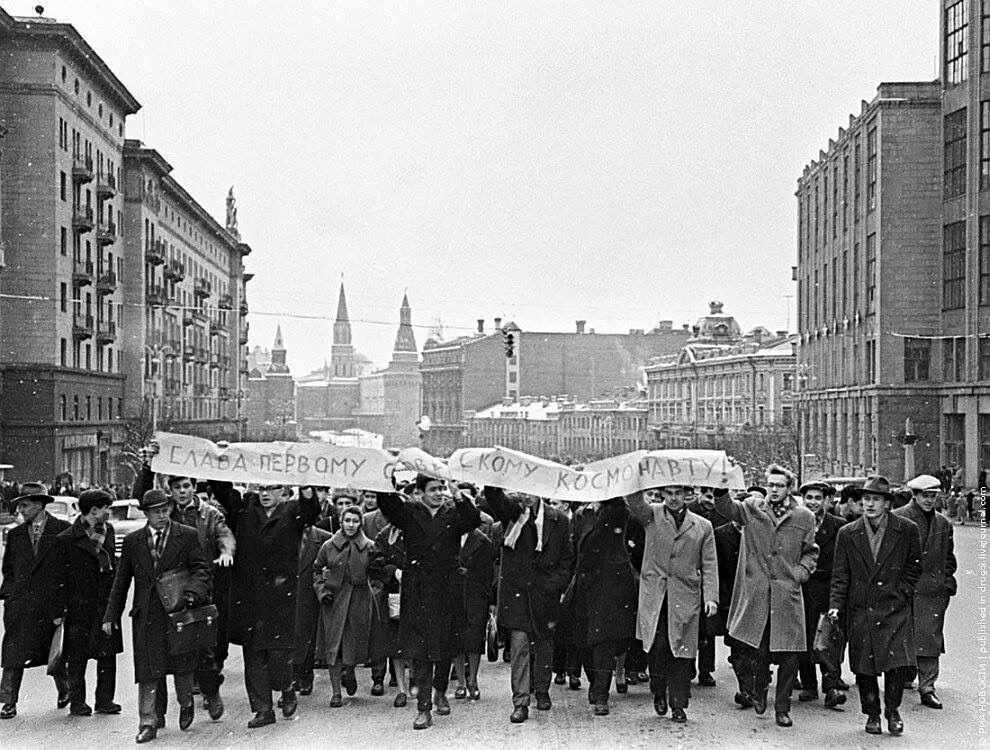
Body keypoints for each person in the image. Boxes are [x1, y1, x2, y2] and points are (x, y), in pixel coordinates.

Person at [713, 466, 819, 728]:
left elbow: (811, 551)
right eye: (770, 485)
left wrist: (801, 571)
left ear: (789, 488)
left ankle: (782, 708)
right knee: (759, 650)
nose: (773, 490)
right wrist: (720, 486)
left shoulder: (804, 517)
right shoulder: (752, 507)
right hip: (758, 594)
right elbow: (727, 508)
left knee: (790, 655)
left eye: (779, 485)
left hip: (787, 594)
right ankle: (759, 688)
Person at [102, 489, 211, 744]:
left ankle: (186, 704)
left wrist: (193, 593)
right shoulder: (133, 542)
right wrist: (111, 615)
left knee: (182, 664)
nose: (162, 516)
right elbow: (121, 582)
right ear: (146, 514)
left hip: (178, 612)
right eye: (156, 512)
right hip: (147, 615)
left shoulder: (187, 536)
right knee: (148, 670)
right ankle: (147, 722)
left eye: (165, 510)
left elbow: (201, 570)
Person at [133, 457, 235, 722]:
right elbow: (140, 498)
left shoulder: (209, 513)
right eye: (176, 487)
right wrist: (147, 466)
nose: (181, 491)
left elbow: (225, 534)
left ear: (194, 487)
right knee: (166, 651)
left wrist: (225, 552)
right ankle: (161, 712)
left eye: (186, 486)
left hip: (200, 587)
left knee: (204, 650)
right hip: (169, 591)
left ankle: (211, 693)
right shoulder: (165, 513)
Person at [379, 475, 481, 729]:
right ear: (420, 492)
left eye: (441, 488)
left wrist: (459, 496)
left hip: (447, 587)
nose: (439, 493)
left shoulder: (453, 513)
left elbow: (473, 520)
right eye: (433, 489)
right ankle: (423, 707)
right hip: (418, 589)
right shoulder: (409, 512)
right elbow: (388, 505)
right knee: (421, 651)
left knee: (445, 646)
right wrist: (384, 478)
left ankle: (441, 691)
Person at [829, 476, 923, 736]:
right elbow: (840, 574)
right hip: (862, 609)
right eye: (866, 499)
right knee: (864, 667)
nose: (869, 504)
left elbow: (914, 566)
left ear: (887, 503)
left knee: (895, 665)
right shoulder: (847, 533)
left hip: (894, 608)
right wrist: (836, 605)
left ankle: (892, 711)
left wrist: (901, 591)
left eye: (876, 499)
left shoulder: (906, 529)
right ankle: (871, 714)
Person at [227, 485, 319, 728]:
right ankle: (262, 709)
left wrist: (307, 487)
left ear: (283, 491)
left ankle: (287, 687)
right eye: (261, 489)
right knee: (254, 654)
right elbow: (225, 493)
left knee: (278, 654)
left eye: (272, 488)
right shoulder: (246, 511)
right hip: (251, 596)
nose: (265, 494)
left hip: (280, 595)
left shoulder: (291, 512)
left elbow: (311, 510)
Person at [627, 485, 718, 723]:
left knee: (682, 651)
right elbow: (635, 502)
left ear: (687, 495)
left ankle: (679, 704)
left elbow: (709, 565)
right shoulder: (652, 515)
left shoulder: (702, 526)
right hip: (656, 594)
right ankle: (658, 691)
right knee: (657, 647)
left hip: (685, 596)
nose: (674, 498)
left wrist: (711, 596)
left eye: (678, 493)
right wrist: (638, 478)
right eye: (669, 493)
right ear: (662, 495)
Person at [484, 487, 574, 725]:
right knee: (520, 645)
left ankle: (542, 690)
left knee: (544, 643)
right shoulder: (513, 515)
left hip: (545, 594)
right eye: (522, 490)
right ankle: (521, 701)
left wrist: (554, 584)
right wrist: (494, 479)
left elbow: (567, 558)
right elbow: (495, 499)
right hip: (517, 594)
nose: (526, 495)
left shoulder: (559, 520)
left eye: (532, 490)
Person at [0, 483, 72, 718]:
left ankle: (66, 690)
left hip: (50, 605)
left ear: (40, 505)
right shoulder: (15, 534)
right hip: (20, 605)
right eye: (19, 505)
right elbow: (8, 569)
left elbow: (68, 571)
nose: (21, 509)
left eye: (25, 505)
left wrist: (62, 605)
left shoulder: (62, 530)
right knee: (13, 655)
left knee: (55, 652)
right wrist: (9, 595)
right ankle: (8, 702)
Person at [569, 498, 639, 716]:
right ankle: (594, 682)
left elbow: (617, 513)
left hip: (610, 585)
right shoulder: (582, 513)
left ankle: (601, 694)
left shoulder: (617, 510)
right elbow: (575, 548)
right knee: (583, 640)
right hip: (584, 583)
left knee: (604, 641)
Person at [313, 505, 388, 707]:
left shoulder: (370, 546)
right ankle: (336, 691)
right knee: (333, 647)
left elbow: (379, 573)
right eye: (347, 521)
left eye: (355, 521)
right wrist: (323, 593)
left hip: (360, 600)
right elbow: (317, 571)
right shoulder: (328, 546)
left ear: (361, 524)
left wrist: (375, 593)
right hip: (334, 601)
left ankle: (350, 671)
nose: (351, 525)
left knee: (355, 643)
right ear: (341, 522)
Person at [56, 489, 122, 717]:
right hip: (79, 606)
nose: (109, 513)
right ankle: (78, 702)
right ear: (94, 510)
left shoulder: (109, 531)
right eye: (106, 508)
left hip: (104, 604)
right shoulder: (66, 539)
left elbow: (113, 563)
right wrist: (60, 610)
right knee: (77, 657)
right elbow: (59, 580)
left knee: (107, 654)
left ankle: (105, 700)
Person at [894, 474, 957, 710]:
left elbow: (949, 558)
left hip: (933, 591)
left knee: (930, 638)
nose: (930, 501)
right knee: (903, 636)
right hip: (905, 590)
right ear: (915, 495)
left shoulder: (944, 524)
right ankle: (903, 676)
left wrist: (947, 581)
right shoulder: (899, 518)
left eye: (933, 496)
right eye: (925, 496)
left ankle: (928, 687)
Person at [795, 480, 847, 709]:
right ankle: (808, 684)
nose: (813, 502)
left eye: (818, 498)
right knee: (804, 635)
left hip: (828, 588)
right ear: (802, 500)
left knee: (828, 637)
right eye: (809, 498)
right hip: (803, 588)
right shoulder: (795, 523)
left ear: (826, 500)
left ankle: (831, 686)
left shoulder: (839, 526)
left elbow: (843, 562)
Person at [686, 486, 730, 688]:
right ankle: (687, 667)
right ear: (699, 494)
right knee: (688, 624)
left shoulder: (721, 514)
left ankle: (706, 669)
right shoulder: (689, 511)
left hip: (712, 573)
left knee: (708, 625)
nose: (709, 501)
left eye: (713, 497)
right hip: (690, 573)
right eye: (706, 496)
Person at [453, 525, 494, 702]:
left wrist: (491, 601)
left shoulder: (482, 541)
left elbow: (488, 574)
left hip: (475, 595)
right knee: (456, 638)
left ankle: (473, 681)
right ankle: (460, 682)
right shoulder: (448, 536)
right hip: (453, 594)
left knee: (475, 638)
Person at [292, 522, 332, 695]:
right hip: (287, 594)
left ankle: (305, 675)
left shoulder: (324, 538)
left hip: (310, 595)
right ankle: (292, 677)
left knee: (306, 636)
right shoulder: (283, 536)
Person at [374, 522, 411, 707]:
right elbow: (374, 564)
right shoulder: (385, 535)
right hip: (395, 594)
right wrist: (392, 571)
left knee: (419, 640)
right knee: (397, 642)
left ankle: (418, 682)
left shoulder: (422, 527)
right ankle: (402, 689)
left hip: (421, 591)